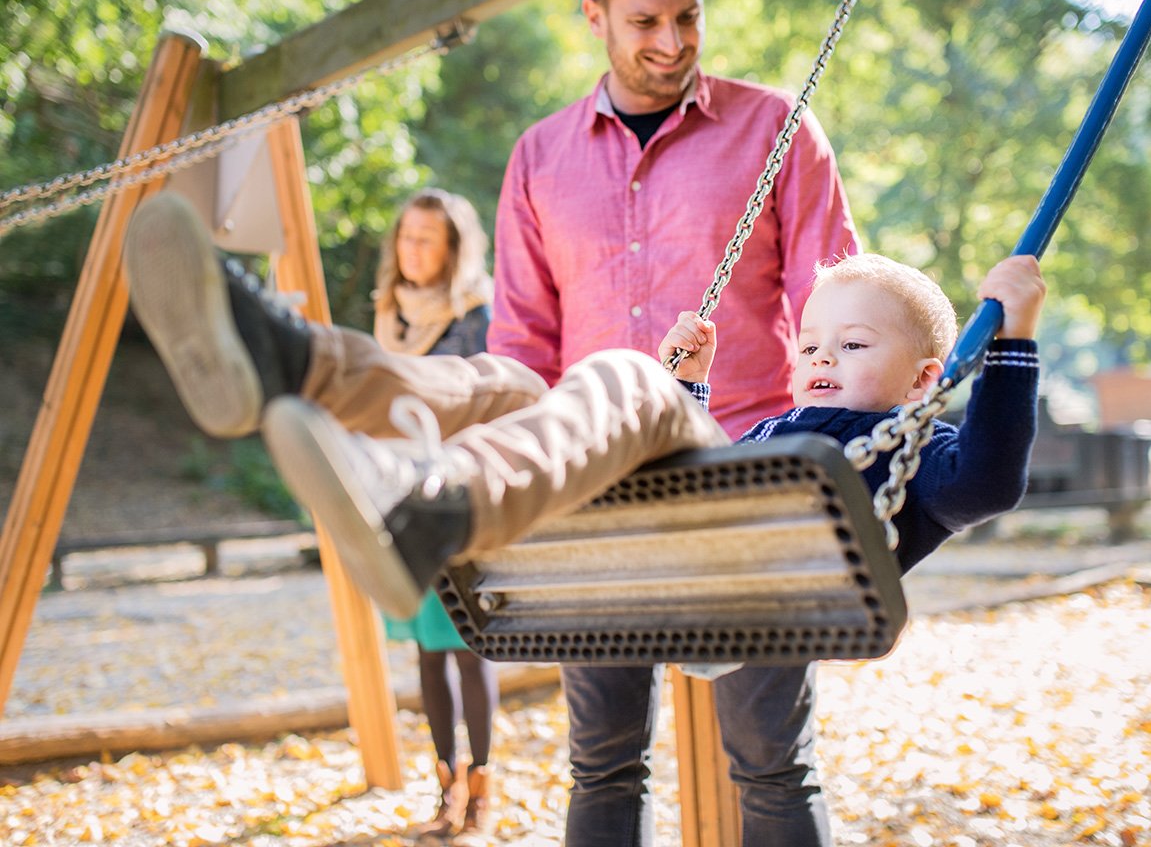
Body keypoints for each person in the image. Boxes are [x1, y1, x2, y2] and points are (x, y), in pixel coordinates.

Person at [122, 190, 1043, 843]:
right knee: (515, 385)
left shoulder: (915, 446)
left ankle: (433, 502)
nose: (819, 359)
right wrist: (692, 390)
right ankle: (304, 367)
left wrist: (1010, 344)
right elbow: (709, 465)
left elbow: (989, 485)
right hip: (673, 536)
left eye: (851, 344)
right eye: (808, 344)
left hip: (754, 568)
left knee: (622, 375)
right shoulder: (785, 419)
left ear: (927, 379)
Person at [486, 0, 859, 842]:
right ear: (594, 17)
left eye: (687, 16)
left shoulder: (776, 129)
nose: (671, 42)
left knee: (774, 764)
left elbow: (837, 303)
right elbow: (524, 344)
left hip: (745, 471)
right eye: (644, 20)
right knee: (602, 766)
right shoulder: (539, 157)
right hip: (592, 486)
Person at [371, 188, 497, 837]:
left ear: (452, 249)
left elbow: (478, 399)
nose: (413, 248)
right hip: (399, 498)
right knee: (426, 648)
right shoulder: (388, 317)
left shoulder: (477, 311)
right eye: (406, 235)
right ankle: (443, 786)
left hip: (458, 493)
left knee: (471, 645)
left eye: (427, 238)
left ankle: (481, 786)